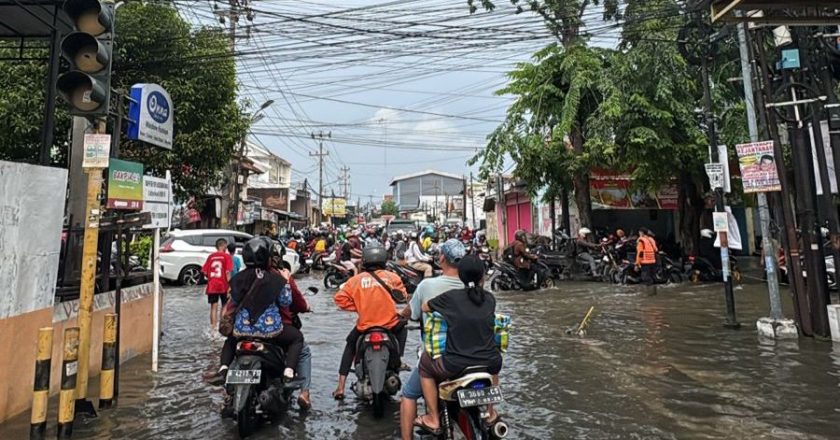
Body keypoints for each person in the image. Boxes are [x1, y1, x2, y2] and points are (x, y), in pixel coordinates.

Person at [414, 255, 503, 434]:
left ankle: (432, 418)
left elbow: (424, 308)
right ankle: (491, 413)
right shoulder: (490, 299)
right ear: (482, 277)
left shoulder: (450, 298)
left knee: (425, 365)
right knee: (492, 365)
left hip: (455, 366)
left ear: (460, 275)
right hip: (491, 362)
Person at [207, 237, 305, 387]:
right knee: (297, 338)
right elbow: (286, 302)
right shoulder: (276, 278)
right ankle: (289, 373)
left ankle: (223, 369)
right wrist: (285, 281)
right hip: (270, 331)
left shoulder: (238, 278)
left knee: (230, 341)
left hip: (242, 330)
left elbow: (233, 301)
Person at [399, 239, 466, 440]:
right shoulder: (473, 288)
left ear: (442, 258)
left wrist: (400, 316)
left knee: (408, 394)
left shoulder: (427, 286)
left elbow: (413, 314)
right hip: (473, 354)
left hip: (440, 358)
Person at [332, 245, 408, 399]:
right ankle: (398, 360)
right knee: (404, 327)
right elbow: (403, 297)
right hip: (389, 325)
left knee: (350, 346)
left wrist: (359, 306)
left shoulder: (355, 280)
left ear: (365, 261)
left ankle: (340, 387)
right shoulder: (393, 277)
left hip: (364, 327)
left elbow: (339, 299)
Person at [201, 238, 233, 329]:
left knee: (213, 307)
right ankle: (222, 327)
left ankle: (213, 329)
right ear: (223, 246)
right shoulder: (227, 257)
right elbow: (227, 272)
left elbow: (205, 272)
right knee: (224, 306)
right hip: (223, 285)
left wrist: (211, 279)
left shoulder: (211, 257)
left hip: (212, 285)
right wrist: (230, 286)